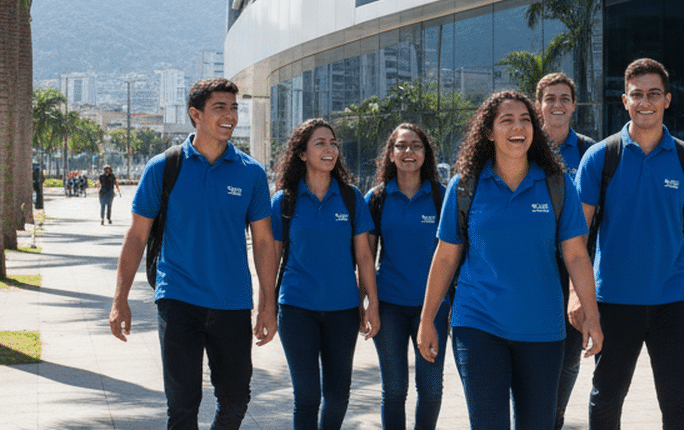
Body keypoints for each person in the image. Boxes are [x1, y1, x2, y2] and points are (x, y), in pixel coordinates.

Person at [416, 90, 603, 430]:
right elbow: (445, 258)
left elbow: (576, 254)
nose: (518, 127)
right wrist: (427, 319)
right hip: (478, 323)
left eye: (525, 120)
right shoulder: (465, 186)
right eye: (507, 120)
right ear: (489, 132)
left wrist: (591, 314)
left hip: (543, 328)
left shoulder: (558, 185)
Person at [109, 78, 278, 430]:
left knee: (236, 399)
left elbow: (264, 242)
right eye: (220, 107)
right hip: (178, 299)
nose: (231, 115)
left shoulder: (251, 173)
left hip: (232, 301)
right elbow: (137, 236)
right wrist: (119, 298)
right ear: (195, 114)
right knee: (183, 405)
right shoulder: (164, 167)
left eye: (234, 107)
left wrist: (267, 303)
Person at [572, 57, 684, 430]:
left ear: (668, 100)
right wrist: (577, 295)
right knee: (606, 398)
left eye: (653, 94)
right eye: (637, 95)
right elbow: (576, 236)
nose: (645, 102)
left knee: (678, 406)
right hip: (612, 300)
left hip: (673, 303)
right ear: (624, 101)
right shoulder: (601, 158)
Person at [272, 118, 380, 430]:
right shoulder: (285, 201)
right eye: (320, 143)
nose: (330, 148)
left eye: (333, 143)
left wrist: (371, 302)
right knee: (307, 395)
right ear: (302, 154)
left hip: (343, 311)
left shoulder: (350, 197)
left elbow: (363, 255)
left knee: (338, 396)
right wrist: (266, 303)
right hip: (296, 309)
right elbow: (272, 255)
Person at [366, 123, 449, 429]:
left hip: (435, 307)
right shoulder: (376, 199)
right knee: (395, 389)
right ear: (390, 154)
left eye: (416, 145)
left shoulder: (442, 197)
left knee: (430, 388)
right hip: (389, 306)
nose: (408, 152)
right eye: (400, 146)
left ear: (425, 154)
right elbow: (365, 258)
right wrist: (369, 305)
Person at [534, 72, 595, 430]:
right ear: (539, 105)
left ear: (573, 105)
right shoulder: (522, 145)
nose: (557, 105)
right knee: (533, 351)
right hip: (533, 267)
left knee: (570, 356)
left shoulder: (591, 151)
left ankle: (552, 420)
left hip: (577, 266)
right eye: (550, 98)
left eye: (564, 98)